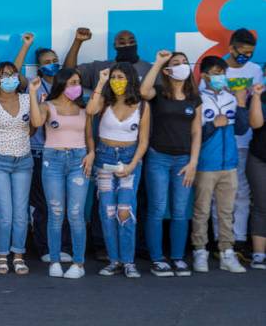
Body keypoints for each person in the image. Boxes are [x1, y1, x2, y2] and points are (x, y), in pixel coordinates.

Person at [0, 62, 44, 275]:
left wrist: (32, 92)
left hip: (23, 161)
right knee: (5, 213)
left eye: (13, 74)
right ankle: (2, 255)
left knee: (21, 214)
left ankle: (18, 255)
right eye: (4, 75)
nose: (9, 78)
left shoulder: (25, 98)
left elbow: (36, 121)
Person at [140, 50, 202, 277]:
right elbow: (143, 91)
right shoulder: (158, 93)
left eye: (185, 62)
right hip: (158, 157)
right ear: (168, 70)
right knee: (157, 209)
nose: (182, 66)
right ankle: (157, 259)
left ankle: (177, 257)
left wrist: (194, 161)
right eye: (176, 63)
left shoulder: (194, 97)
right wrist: (158, 63)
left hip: (184, 160)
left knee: (179, 210)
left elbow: (196, 132)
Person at [86, 63, 151, 278]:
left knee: (125, 211)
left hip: (129, 160)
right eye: (113, 77)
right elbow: (90, 110)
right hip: (104, 159)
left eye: (120, 77)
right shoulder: (105, 102)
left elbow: (143, 142)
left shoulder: (142, 107)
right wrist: (101, 81)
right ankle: (114, 260)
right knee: (107, 212)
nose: (116, 81)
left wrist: (132, 165)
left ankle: (128, 262)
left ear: (131, 79)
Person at [14, 34, 75, 263]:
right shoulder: (33, 85)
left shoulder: (67, 86)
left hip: (64, 151)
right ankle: (45, 247)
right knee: (42, 204)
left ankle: (65, 246)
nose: (52, 64)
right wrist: (26, 45)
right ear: (39, 67)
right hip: (39, 152)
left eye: (54, 60)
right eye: (47, 61)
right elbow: (14, 70)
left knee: (64, 202)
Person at [192, 56, 250, 273]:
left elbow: (241, 129)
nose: (220, 77)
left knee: (227, 211)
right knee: (201, 211)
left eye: (222, 73)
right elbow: (194, 134)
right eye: (215, 73)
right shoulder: (198, 98)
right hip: (207, 164)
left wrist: (242, 104)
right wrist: (213, 126)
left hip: (230, 164)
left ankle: (227, 251)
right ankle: (200, 251)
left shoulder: (230, 98)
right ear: (205, 75)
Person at [35, 68, 94, 278]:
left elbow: (89, 136)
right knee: (56, 212)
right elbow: (35, 123)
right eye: (72, 82)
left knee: (76, 214)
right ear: (61, 84)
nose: (76, 86)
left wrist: (92, 153)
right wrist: (34, 99)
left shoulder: (84, 108)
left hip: (79, 160)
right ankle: (55, 261)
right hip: (53, 160)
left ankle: (78, 263)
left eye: (78, 82)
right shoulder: (47, 106)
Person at [218, 29, 262, 259]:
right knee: (221, 194)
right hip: (220, 142)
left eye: (250, 53)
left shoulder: (255, 71)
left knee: (242, 193)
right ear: (231, 48)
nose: (246, 56)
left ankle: (239, 240)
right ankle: (220, 241)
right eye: (242, 52)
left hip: (245, 141)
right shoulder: (218, 71)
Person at [64, 27, 153, 89]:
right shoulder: (99, 68)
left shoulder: (150, 69)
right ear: (115, 46)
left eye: (131, 42)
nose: (127, 45)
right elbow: (67, 74)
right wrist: (78, 41)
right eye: (122, 43)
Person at [247, 82, 266, 269]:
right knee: (262, 205)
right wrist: (257, 97)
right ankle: (259, 254)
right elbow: (255, 123)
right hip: (260, 158)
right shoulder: (260, 97)